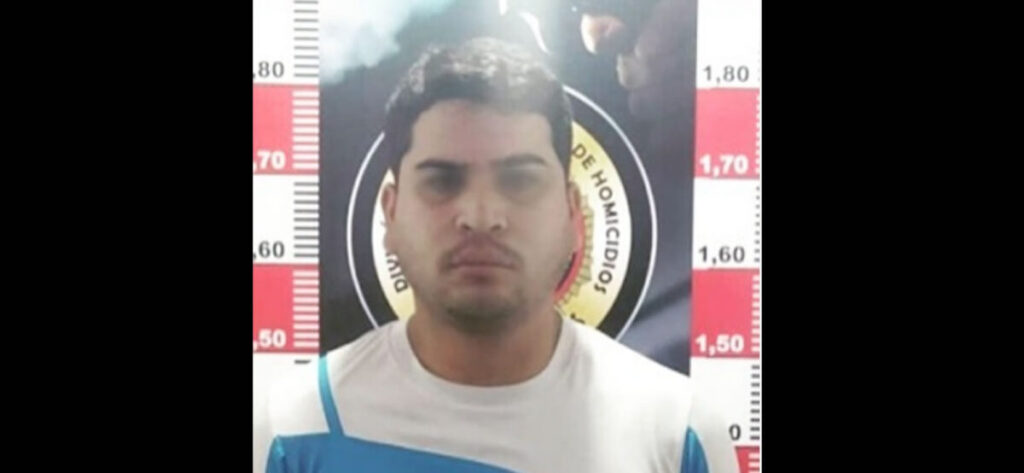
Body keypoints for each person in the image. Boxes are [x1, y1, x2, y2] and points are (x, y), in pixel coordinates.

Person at [253, 37, 738, 473]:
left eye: (520, 180)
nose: (481, 215)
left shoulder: (677, 432)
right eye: (442, 181)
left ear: (573, 215)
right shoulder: (294, 429)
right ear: (391, 215)